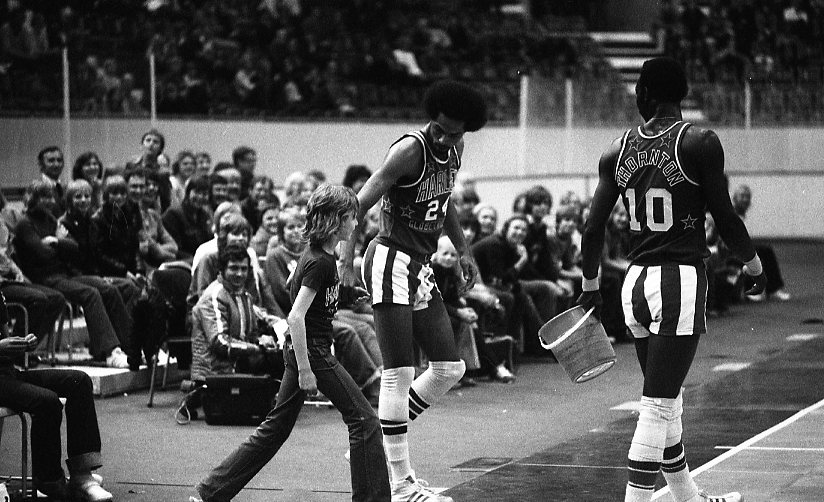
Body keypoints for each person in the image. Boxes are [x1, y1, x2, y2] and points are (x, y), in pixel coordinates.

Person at [577, 57, 767, 502]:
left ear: (643, 93)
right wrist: (753, 264)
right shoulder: (700, 142)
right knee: (658, 406)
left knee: (668, 400)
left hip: (634, 282)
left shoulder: (616, 150)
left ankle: (688, 498)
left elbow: (592, 229)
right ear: (681, 94)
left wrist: (589, 287)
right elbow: (725, 216)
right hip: (678, 280)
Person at [191, 185, 390, 502]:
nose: (356, 223)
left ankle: (210, 491)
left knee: (275, 429)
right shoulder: (319, 262)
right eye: (352, 217)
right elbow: (296, 317)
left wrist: (345, 296)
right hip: (313, 352)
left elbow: (302, 294)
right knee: (365, 421)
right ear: (336, 221)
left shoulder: (315, 256)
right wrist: (306, 369)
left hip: (306, 350)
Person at [340, 79, 487, 502]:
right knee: (399, 373)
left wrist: (464, 251)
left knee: (449, 368)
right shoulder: (409, 150)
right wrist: (345, 261)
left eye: (453, 133)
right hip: (390, 257)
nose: (443, 138)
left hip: (420, 264)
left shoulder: (455, 150)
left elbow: (445, 201)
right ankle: (402, 485)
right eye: (438, 129)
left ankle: (379, 442)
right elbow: (357, 205)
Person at [0, 291, 112, 501]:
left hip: (8, 374)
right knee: (46, 401)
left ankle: (82, 475)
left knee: (79, 381)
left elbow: (6, 343)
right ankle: (50, 481)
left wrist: (21, 343)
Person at [731, 184, 791, 301]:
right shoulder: (731, 214)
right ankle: (751, 290)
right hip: (729, 252)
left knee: (766, 251)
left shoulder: (740, 214)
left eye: (747, 197)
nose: (745, 199)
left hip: (737, 249)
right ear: (734, 198)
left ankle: (773, 289)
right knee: (753, 255)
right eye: (742, 196)